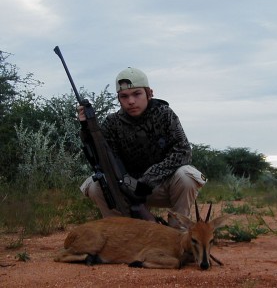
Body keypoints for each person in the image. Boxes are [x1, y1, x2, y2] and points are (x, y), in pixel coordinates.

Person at [78, 67, 207, 218]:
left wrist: (147, 181)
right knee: (95, 185)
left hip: (160, 186)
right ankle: (119, 234)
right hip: (127, 187)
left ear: (149, 93)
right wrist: (86, 128)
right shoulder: (112, 123)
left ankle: (179, 232)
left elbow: (183, 152)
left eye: (137, 94)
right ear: (118, 99)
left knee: (186, 176)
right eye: (124, 96)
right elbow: (101, 158)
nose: (131, 101)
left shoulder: (165, 114)